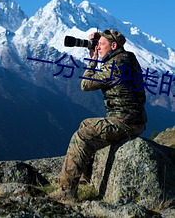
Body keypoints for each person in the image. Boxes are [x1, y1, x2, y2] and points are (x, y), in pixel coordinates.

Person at [49, 29, 147, 201]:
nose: (98, 47)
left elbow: (86, 85)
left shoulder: (115, 65)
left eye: (102, 45)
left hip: (125, 121)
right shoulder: (127, 57)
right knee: (86, 124)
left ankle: (66, 192)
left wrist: (92, 60)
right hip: (133, 119)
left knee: (82, 136)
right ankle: (86, 178)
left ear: (114, 46)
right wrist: (99, 40)